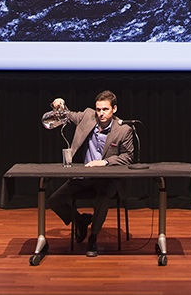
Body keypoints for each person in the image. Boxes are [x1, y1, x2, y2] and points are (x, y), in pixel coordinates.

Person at [43, 90, 135, 256]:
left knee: (103, 196)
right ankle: (80, 220)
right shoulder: (87, 116)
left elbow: (127, 157)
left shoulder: (124, 130)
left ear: (114, 109)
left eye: (105, 109)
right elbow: (67, 114)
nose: (101, 113)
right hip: (84, 176)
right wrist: (59, 102)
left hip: (108, 179)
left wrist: (105, 162)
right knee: (54, 200)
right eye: (98, 109)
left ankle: (93, 238)